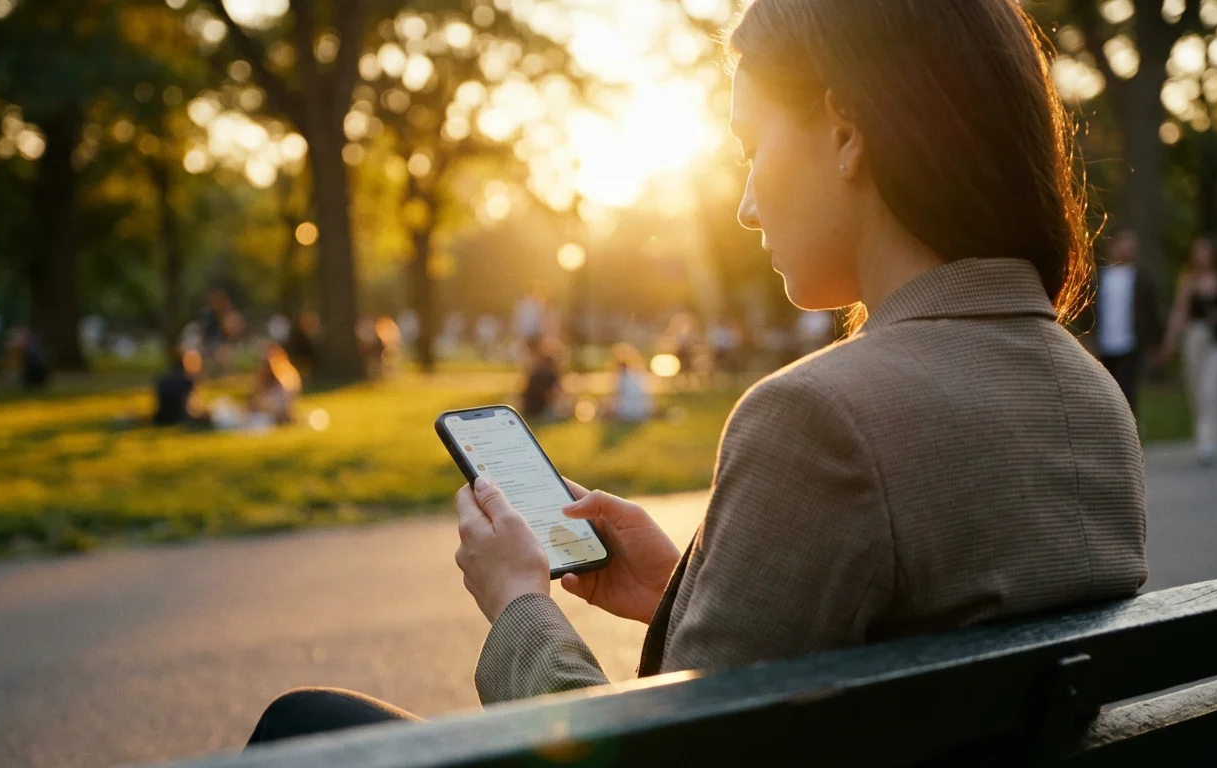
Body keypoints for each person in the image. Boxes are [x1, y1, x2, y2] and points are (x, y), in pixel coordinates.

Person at [245, 0, 1147, 741]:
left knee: (304, 724)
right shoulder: (1089, 394)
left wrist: (520, 605)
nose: (747, 203)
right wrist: (683, 592)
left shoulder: (819, 418)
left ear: (845, 134)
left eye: (753, 144)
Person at [1157, 237, 1217, 465]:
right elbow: (1180, 311)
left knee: (1212, 388)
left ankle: (1208, 444)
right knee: (1196, 389)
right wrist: (1170, 340)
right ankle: (1207, 435)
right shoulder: (1189, 281)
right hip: (1195, 338)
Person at [1092, 229, 1164, 418]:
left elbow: (1152, 312)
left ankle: (1130, 432)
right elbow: (1090, 311)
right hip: (1104, 344)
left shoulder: (1142, 279)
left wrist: (1157, 344)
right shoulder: (1100, 278)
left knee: (1127, 391)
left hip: (1131, 344)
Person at [602, 343, 654, 423]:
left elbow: (616, 395)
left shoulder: (620, 377)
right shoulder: (638, 373)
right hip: (641, 412)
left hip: (626, 412)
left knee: (607, 403)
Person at [153, 349, 206, 427]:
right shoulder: (187, 382)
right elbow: (188, 410)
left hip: (161, 419)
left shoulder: (164, 378)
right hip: (178, 419)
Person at [519, 341, 563, 421]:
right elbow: (552, 396)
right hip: (541, 411)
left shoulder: (534, 374)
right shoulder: (550, 376)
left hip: (528, 410)